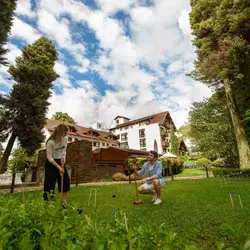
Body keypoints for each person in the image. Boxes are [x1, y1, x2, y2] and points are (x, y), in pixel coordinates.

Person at [43, 124, 70, 208]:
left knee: (65, 181)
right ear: (60, 133)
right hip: (51, 163)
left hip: (60, 161)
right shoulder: (50, 142)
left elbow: (64, 150)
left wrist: (64, 158)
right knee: (50, 184)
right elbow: (49, 157)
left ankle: (64, 204)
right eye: (65, 133)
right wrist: (58, 167)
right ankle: (48, 204)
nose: (66, 135)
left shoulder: (65, 139)